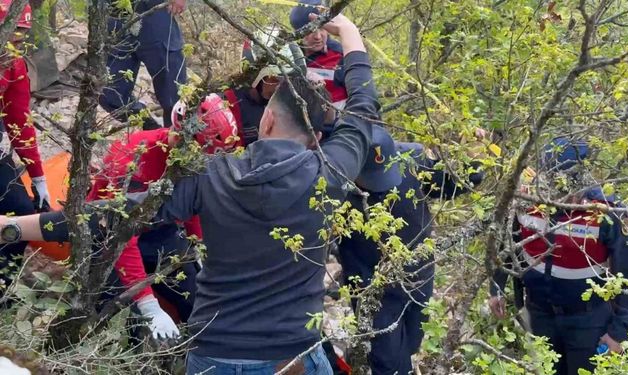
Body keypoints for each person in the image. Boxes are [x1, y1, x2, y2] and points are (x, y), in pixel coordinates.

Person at [0, 14, 377, 374]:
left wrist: (14, 227)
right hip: (291, 357)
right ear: (317, 139)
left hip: (217, 355)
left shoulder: (212, 177)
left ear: (266, 119)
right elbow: (362, 106)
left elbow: (107, 215)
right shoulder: (331, 172)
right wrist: (347, 30)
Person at [89, 93, 239, 339]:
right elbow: (119, 233)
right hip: (109, 236)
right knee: (130, 325)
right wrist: (147, 302)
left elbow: (190, 202)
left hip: (159, 232)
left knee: (199, 302)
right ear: (185, 140)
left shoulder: (190, 160)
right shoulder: (131, 161)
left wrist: (195, 243)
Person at [488, 138, 628, 375]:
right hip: (539, 314)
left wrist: (620, 333)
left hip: (588, 321)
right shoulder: (526, 199)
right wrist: (496, 287)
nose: (563, 194)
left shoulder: (608, 212)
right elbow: (509, 244)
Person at [340, 126, 483, 374]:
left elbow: (454, 183)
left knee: (413, 344)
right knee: (388, 362)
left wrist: (473, 156)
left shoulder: (412, 161)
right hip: (372, 289)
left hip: (418, 277)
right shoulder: (335, 178)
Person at [0, 0, 50, 290]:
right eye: (10, 35)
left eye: (21, 37)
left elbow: (20, 123)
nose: (14, 45)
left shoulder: (15, 66)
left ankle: (2, 285)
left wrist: (39, 178)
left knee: (21, 212)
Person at [99, 0, 188, 130]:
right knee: (109, 95)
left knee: (174, 97)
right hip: (115, 14)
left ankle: (178, 143)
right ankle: (155, 132)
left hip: (154, 12)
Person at [223, 27, 306, 146]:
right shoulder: (229, 103)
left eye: (288, 81)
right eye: (274, 80)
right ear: (254, 77)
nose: (280, 87)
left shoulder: (291, 100)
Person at [290, 0, 348, 111]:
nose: (318, 36)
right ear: (297, 32)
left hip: (337, 124)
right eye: (310, 30)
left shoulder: (341, 55)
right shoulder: (289, 54)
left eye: (322, 28)